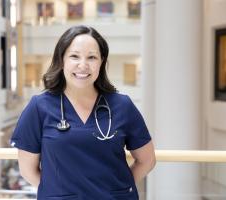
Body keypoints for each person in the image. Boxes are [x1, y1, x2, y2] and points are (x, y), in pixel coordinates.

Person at [10, 25, 156, 200]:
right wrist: (57, 193)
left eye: (92, 57)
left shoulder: (122, 105)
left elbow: (147, 160)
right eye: (74, 56)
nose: (83, 65)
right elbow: (28, 170)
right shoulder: (39, 107)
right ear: (61, 59)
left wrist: (119, 190)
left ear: (101, 62)